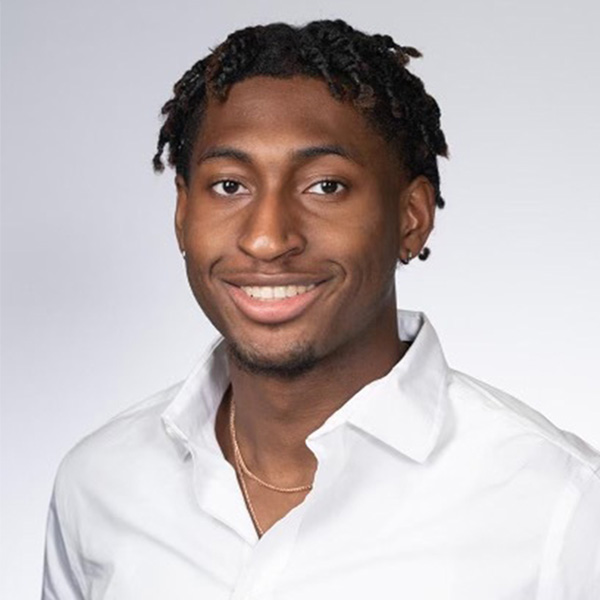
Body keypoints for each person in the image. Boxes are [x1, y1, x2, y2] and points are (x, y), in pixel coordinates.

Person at [42, 19, 600, 599]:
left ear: (411, 217)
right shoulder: (99, 484)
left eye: (325, 186)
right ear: (182, 214)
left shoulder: (561, 507)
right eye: (230, 186)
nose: (267, 238)